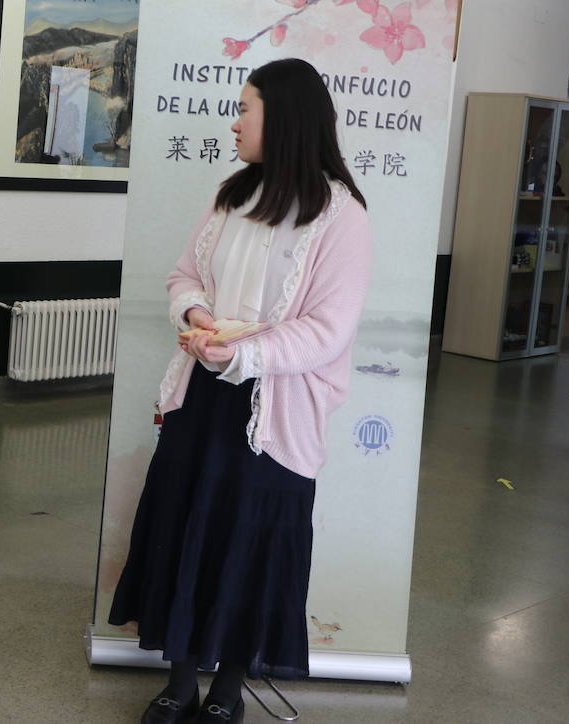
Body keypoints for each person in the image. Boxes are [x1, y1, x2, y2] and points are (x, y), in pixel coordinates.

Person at [108, 57, 372, 724]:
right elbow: (183, 274)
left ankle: (227, 689)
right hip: (204, 396)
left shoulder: (341, 216)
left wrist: (241, 353)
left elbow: (327, 331)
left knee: (249, 543)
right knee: (183, 526)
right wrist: (195, 316)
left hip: (275, 414)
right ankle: (179, 679)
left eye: (245, 107)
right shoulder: (233, 194)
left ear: (280, 118)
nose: (234, 120)